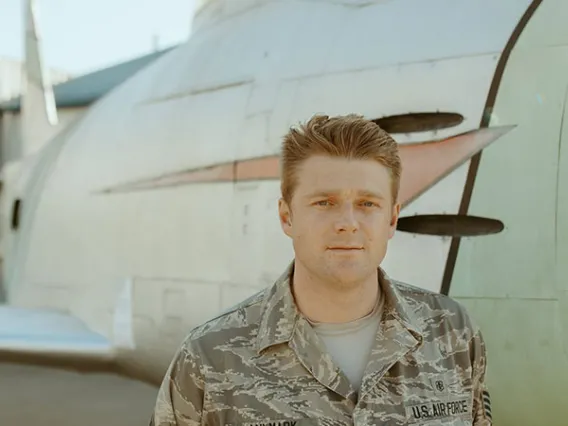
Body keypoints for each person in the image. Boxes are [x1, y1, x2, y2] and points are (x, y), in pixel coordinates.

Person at [150, 114, 492, 426]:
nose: (347, 223)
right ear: (287, 216)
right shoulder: (211, 358)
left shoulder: (452, 334)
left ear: (391, 219)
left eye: (367, 204)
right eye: (324, 203)